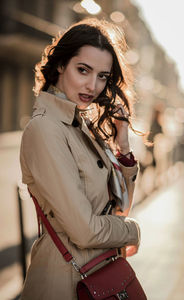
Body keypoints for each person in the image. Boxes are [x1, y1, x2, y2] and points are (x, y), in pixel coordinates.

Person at [20, 18, 141, 300]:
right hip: (63, 280)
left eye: (102, 76)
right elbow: (85, 231)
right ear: (61, 65)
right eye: (83, 70)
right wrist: (132, 231)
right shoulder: (45, 128)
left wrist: (122, 142)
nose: (93, 85)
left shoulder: (81, 124)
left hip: (96, 272)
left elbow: (119, 208)